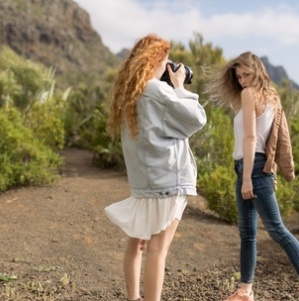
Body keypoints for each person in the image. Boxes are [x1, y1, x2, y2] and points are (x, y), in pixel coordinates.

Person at [204, 51, 299, 301]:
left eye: (246, 74)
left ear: (258, 71)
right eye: (238, 76)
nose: (242, 80)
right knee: (248, 233)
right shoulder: (271, 97)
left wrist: (248, 177)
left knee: (277, 229)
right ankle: (245, 291)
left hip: (253, 168)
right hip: (249, 167)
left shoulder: (250, 94)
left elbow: (252, 138)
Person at [104, 34, 207, 301]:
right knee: (158, 250)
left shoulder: (130, 93)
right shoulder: (157, 90)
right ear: (156, 60)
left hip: (144, 182)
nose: (168, 65)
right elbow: (196, 119)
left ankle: (133, 297)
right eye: (166, 60)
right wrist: (180, 86)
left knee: (137, 242)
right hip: (168, 180)